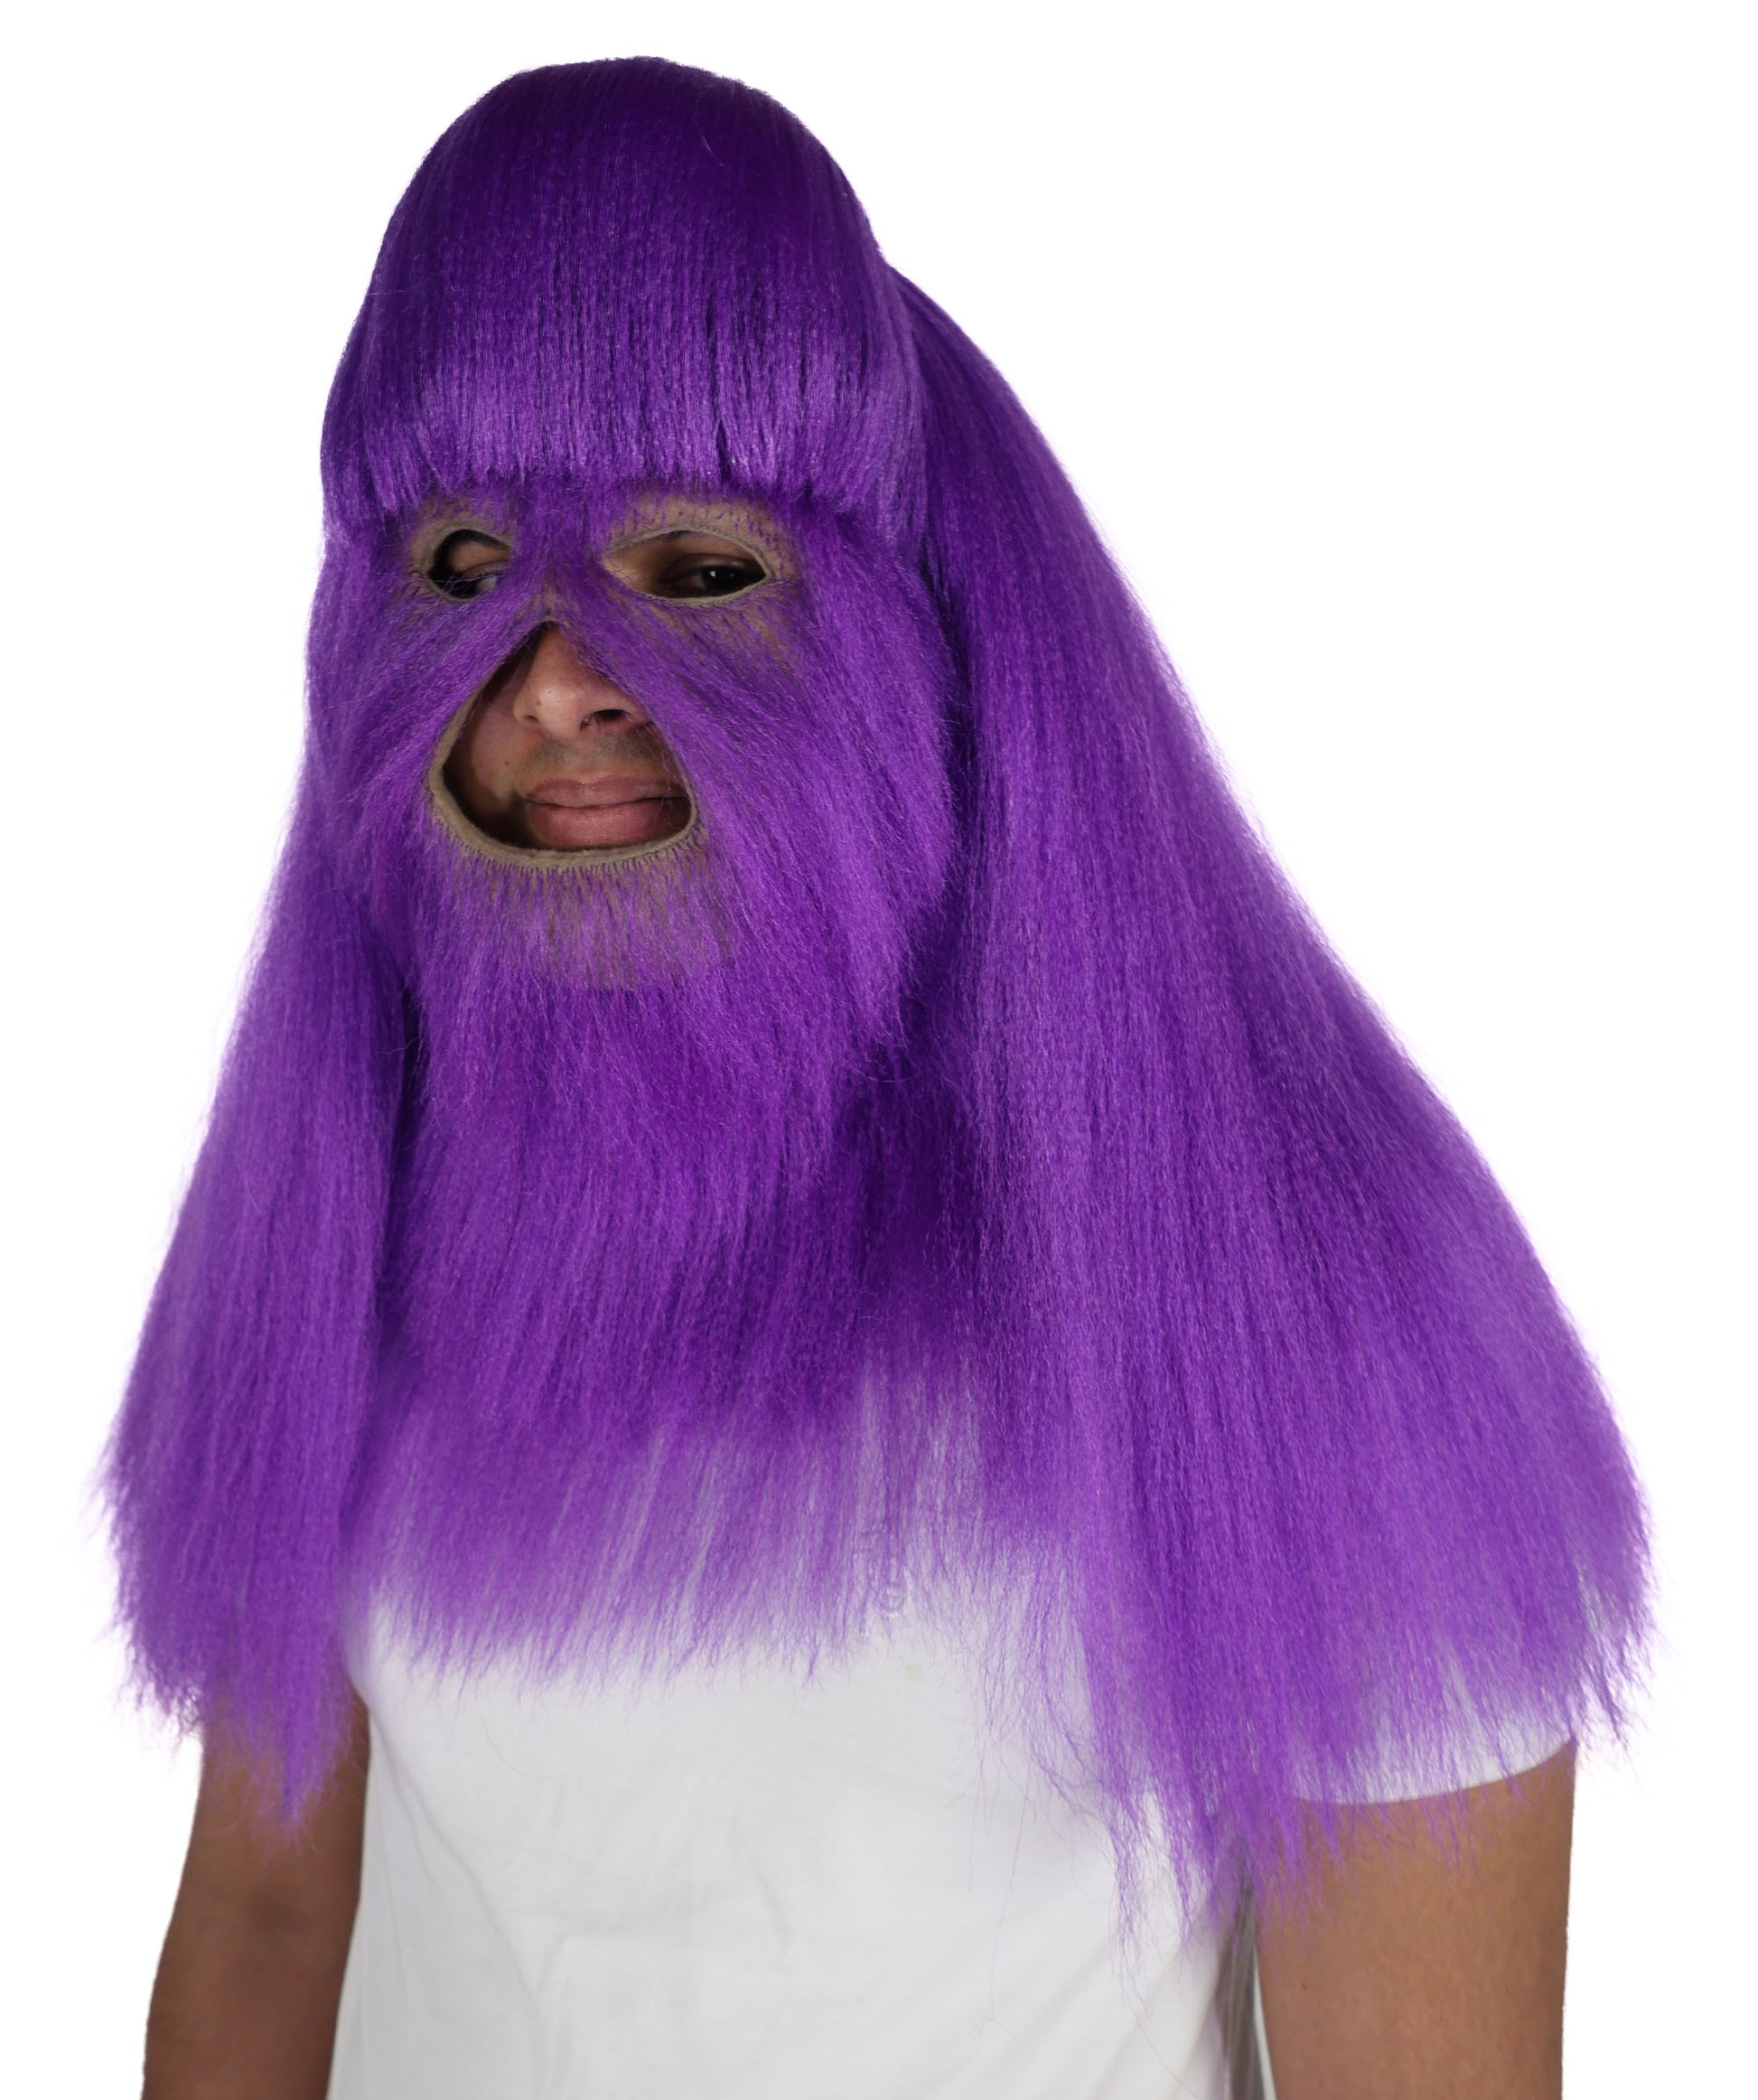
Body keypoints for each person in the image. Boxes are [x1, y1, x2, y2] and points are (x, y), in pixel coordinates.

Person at [109, 58, 1649, 2100]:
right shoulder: (368, 1181)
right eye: (466, 566)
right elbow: (267, 1917)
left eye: (699, 570)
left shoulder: (1314, 1294)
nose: (554, 679)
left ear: (910, 632)